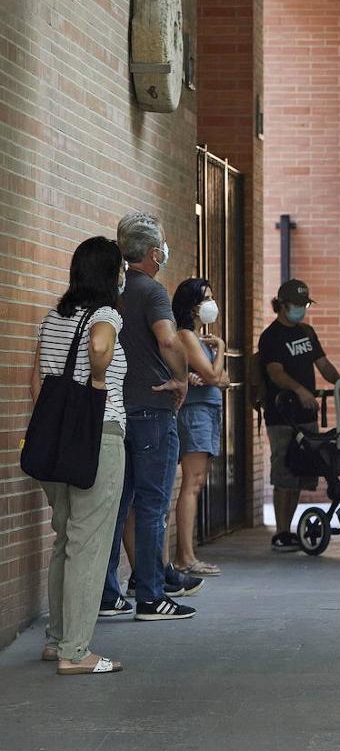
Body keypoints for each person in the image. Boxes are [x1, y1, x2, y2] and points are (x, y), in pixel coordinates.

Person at [31, 236, 128, 672]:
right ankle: (76, 653)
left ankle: (56, 640)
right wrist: (97, 384)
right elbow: (100, 347)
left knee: (65, 538)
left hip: (54, 439)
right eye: (120, 269)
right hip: (98, 436)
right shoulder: (106, 314)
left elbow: (34, 383)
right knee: (89, 543)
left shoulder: (53, 318)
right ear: (110, 274)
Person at [96, 212, 194, 623]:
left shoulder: (109, 291)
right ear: (155, 252)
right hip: (153, 408)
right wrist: (181, 378)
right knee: (154, 505)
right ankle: (152, 597)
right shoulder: (152, 291)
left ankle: (105, 593)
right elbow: (168, 338)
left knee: (117, 504)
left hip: (116, 410)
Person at [259, 279, 340, 551]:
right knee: (284, 473)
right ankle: (280, 532)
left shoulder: (307, 332)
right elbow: (275, 372)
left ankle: (288, 530)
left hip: (306, 417)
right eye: (298, 305)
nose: (302, 310)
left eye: (305, 304)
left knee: (298, 474)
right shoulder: (271, 336)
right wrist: (300, 390)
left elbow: (323, 364)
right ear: (282, 305)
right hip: (282, 416)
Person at [171, 279, 228, 576]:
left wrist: (213, 375)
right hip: (195, 414)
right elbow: (214, 375)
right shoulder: (188, 336)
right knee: (191, 484)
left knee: (197, 483)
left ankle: (187, 555)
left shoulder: (196, 337)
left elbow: (223, 379)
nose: (211, 303)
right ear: (191, 305)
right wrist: (220, 347)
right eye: (206, 297)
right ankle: (185, 558)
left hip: (206, 411)